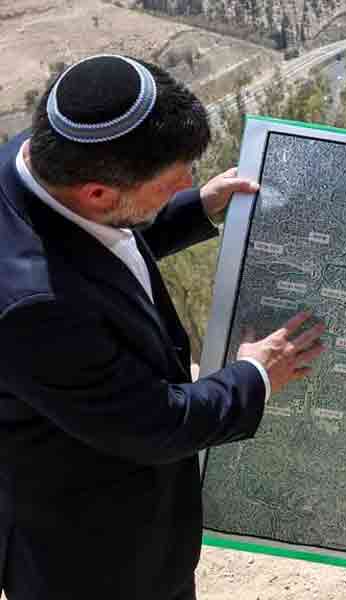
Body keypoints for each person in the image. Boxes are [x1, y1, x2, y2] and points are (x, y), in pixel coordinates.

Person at [0, 55, 327, 600]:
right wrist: (257, 374)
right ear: (99, 194)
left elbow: (99, 252)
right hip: (93, 561)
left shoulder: (39, 156)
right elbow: (155, 425)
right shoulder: (32, 307)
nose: (190, 182)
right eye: (171, 184)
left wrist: (196, 208)